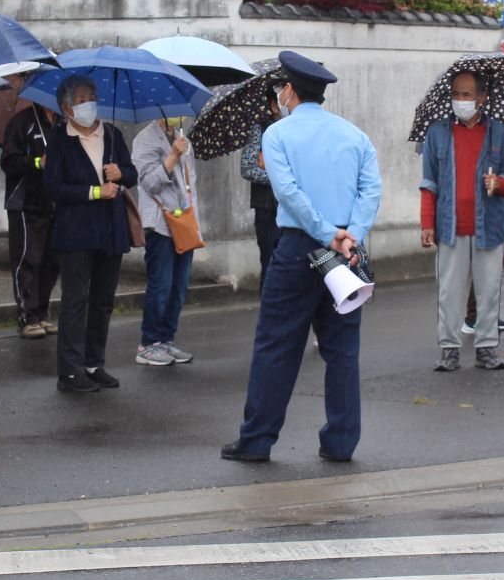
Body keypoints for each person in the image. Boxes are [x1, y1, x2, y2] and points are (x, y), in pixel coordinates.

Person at [223, 51, 381, 464]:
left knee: (276, 345)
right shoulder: (355, 135)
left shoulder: (277, 135)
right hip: (348, 252)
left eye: (280, 88)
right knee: (342, 350)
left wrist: (328, 234)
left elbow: (288, 193)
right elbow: (371, 192)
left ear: (289, 89)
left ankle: (257, 439)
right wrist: (350, 237)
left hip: (298, 246)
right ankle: (341, 442)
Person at [43, 76, 138, 393]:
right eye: (81, 98)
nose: (89, 103)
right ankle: (70, 370)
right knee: (75, 301)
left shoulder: (111, 135)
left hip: (110, 230)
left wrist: (120, 173)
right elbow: (54, 187)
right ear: (66, 107)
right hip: (76, 233)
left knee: (102, 301)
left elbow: (132, 173)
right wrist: (96, 191)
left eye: (92, 96)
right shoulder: (59, 140)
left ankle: (94, 362)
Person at [420, 69, 504, 371]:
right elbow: (429, 182)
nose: (459, 100)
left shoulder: (498, 133)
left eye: (466, 95)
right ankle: (449, 349)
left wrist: (499, 184)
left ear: (481, 98)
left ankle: (486, 348)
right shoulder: (437, 133)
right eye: (455, 94)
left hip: (489, 225)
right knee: (449, 291)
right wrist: (426, 223)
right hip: (449, 227)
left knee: (489, 290)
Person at [133, 112, 200, 367]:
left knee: (179, 287)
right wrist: (172, 156)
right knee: (160, 284)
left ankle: (166, 339)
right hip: (160, 222)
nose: (178, 115)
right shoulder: (145, 139)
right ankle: (148, 343)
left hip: (184, 221)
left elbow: (190, 181)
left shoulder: (182, 138)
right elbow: (148, 182)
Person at [2, 102, 60, 338]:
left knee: (52, 261)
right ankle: (28, 316)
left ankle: (42, 312)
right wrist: (37, 162)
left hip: (54, 202)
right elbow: (9, 162)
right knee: (28, 259)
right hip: (26, 203)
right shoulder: (22, 122)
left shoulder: (62, 123)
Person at [239, 121, 279, 287]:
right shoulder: (259, 129)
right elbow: (247, 168)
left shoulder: (292, 126)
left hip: (291, 207)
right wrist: (279, 178)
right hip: (267, 209)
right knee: (270, 264)